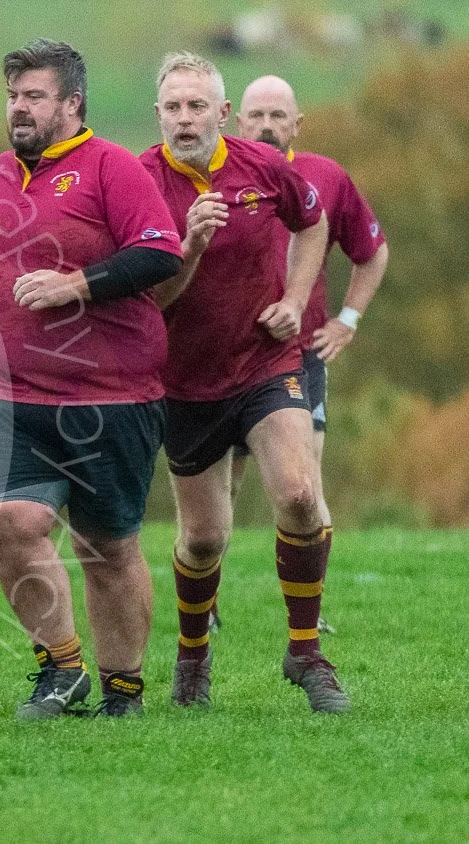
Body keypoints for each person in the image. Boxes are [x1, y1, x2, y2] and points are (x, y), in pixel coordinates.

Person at [0, 39, 184, 718]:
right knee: (10, 524)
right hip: (14, 397)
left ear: (72, 103)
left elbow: (161, 253)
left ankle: (123, 690)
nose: (18, 108)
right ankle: (62, 668)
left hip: (112, 395)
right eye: (12, 96)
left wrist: (77, 284)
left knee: (105, 547)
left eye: (34, 96)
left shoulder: (111, 167)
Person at [138, 52, 347, 714]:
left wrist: (296, 297)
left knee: (300, 495)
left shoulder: (264, 167)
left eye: (197, 106)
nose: (185, 118)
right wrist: (190, 247)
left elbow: (314, 223)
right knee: (203, 539)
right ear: (158, 115)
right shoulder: (140, 183)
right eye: (173, 107)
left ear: (223, 114)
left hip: (266, 365)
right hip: (185, 382)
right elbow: (149, 301)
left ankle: (306, 652)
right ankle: (192, 656)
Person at [221, 74, 391, 633]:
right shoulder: (217, 176)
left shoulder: (326, 177)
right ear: (237, 121)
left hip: (298, 356)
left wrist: (347, 320)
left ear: (298, 124)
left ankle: (310, 615)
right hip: (223, 356)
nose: (266, 126)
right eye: (256, 115)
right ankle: (205, 603)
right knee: (223, 487)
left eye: (278, 116)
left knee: (304, 487)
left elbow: (372, 252)